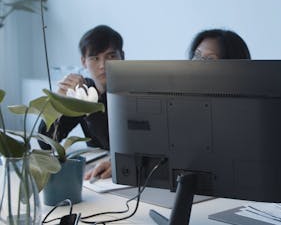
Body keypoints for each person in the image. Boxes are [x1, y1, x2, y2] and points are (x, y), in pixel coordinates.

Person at [85, 28, 251, 181]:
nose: (197, 64)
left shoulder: (242, 117)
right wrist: (125, 162)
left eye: (208, 59)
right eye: (197, 56)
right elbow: (158, 147)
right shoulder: (180, 105)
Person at [38, 25, 124, 180]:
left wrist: (89, 102)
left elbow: (111, 143)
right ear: (84, 61)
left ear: (122, 56)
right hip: (94, 172)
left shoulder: (134, 92)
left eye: (110, 56)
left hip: (125, 170)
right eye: (95, 58)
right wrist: (59, 102)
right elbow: (46, 143)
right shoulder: (82, 91)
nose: (102, 66)